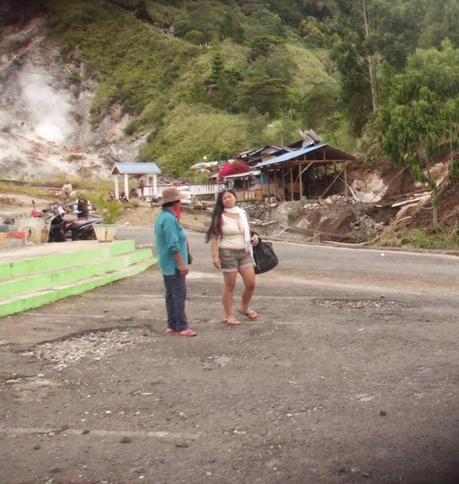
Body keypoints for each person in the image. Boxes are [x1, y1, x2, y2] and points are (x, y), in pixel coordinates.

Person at [206, 190, 259, 326]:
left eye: (230, 196)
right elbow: (215, 237)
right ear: (221, 201)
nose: (228, 200)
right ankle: (229, 315)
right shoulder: (220, 216)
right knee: (230, 285)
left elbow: (248, 230)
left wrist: (255, 236)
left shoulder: (242, 213)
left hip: (245, 251)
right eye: (224, 198)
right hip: (228, 252)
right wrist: (215, 256)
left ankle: (244, 307)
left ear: (235, 197)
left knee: (251, 284)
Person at [154, 188, 197, 337]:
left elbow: (177, 241)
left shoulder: (163, 217)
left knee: (171, 294)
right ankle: (181, 326)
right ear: (177, 203)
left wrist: (187, 254)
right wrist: (181, 263)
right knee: (178, 294)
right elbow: (173, 244)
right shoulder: (170, 219)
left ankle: (172, 324)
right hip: (173, 264)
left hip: (167, 263)